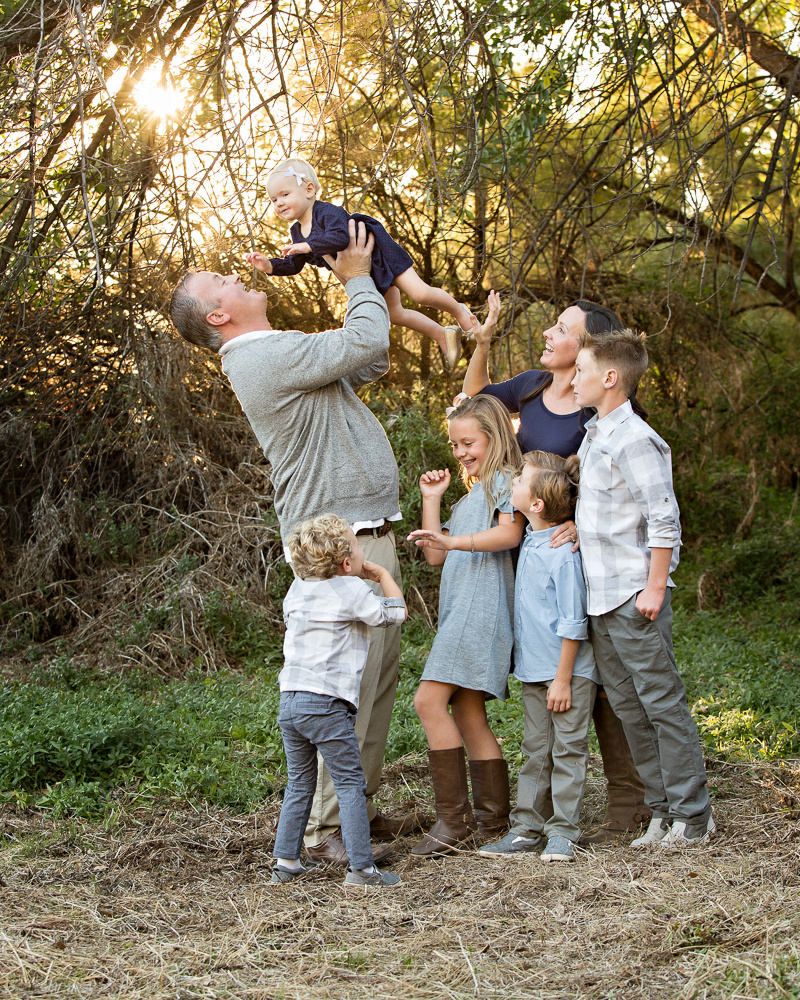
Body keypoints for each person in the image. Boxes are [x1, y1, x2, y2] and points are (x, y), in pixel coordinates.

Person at [169, 221, 417, 868]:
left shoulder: (277, 348)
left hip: (357, 532)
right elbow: (364, 339)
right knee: (355, 687)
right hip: (343, 547)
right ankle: (330, 830)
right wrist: (358, 275)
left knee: (373, 680)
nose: (234, 274)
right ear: (219, 313)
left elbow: (371, 356)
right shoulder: (257, 356)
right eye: (220, 281)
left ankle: (348, 806)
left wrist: (377, 293)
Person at [460, 293, 651, 844]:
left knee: (604, 680)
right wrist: (484, 340)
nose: (548, 332)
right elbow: (475, 399)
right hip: (535, 549)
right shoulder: (532, 388)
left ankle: (626, 803)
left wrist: (580, 524)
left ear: (587, 347)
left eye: (561, 327)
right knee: (552, 666)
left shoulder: (608, 406)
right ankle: (536, 819)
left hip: (585, 559)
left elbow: (625, 487)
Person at [572, 328, 714, 847]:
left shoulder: (636, 440)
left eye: (582, 371)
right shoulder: (595, 433)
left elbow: (665, 520)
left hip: (634, 594)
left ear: (610, 378)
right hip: (599, 595)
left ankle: (694, 816)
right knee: (630, 707)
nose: (574, 379)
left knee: (661, 702)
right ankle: (662, 810)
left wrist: (655, 588)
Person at [406, 395, 526, 856]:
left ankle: (452, 822)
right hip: (462, 610)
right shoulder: (471, 494)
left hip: (484, 608)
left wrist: (455, 539)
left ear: (495, 438)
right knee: (468, 713)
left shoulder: (505, 482)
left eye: (468, 442)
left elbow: (509, 534)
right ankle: (492, 819)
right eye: (455, 445)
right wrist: (432, 501)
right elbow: (436, 553)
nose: (459, 453)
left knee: (428, 701)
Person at [272, 514, 406, 889]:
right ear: (348, 563)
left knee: (300, 782)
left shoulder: (297, 589)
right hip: (326, 705)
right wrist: (381, 577)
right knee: (349, 782)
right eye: (358, 546)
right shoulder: (352, 591)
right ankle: (362, 869)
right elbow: (395, 613)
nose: (363, 551)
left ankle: (286, 861)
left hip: (291, 701)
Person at [245, 157, 478, 370]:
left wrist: (309, 246)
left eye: (284, 195)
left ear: (309, 190)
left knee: (421, 294)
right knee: (394, 313)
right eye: (274, 199)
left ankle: (460, 312)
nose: (279, 203)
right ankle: (441, 334)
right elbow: (295, 263)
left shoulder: (326, 213)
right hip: (364, 273)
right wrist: (272, 266)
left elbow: (340, 237)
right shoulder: (296, 231)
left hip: (379, 255)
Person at [478, 451, 598, 863]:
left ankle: (563, 831)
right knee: (536, 749)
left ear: (537, 505)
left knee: (567, 750)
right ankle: (527, 828)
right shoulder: (531, 541)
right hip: (534, 671)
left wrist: (563, 679)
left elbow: (573, 621)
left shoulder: (562, 554)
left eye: (519, 481)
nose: (511, 483)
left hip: (569, 674)